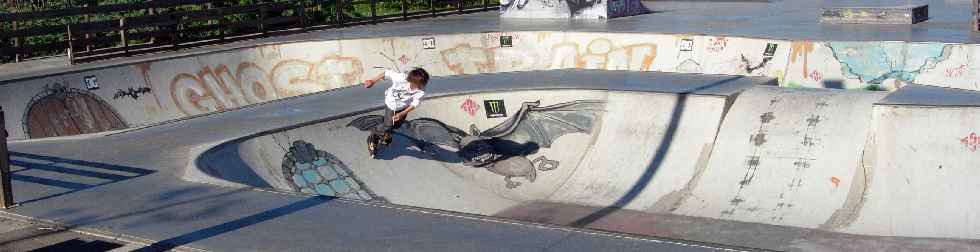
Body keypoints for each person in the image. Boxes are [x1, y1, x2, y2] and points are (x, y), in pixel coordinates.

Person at [362, 68, 430, 155]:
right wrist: (373, 81)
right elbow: (387, 73)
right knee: (388, 126)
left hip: (403, 107)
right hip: (391, 104)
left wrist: (402, 113)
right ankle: (374, 136)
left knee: (397, 125)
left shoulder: (421, 91)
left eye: (423, 84)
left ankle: (387, 132)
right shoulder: (401, 78)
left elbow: (415, 104)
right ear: (412, 81)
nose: (422, 87)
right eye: (420, 84)